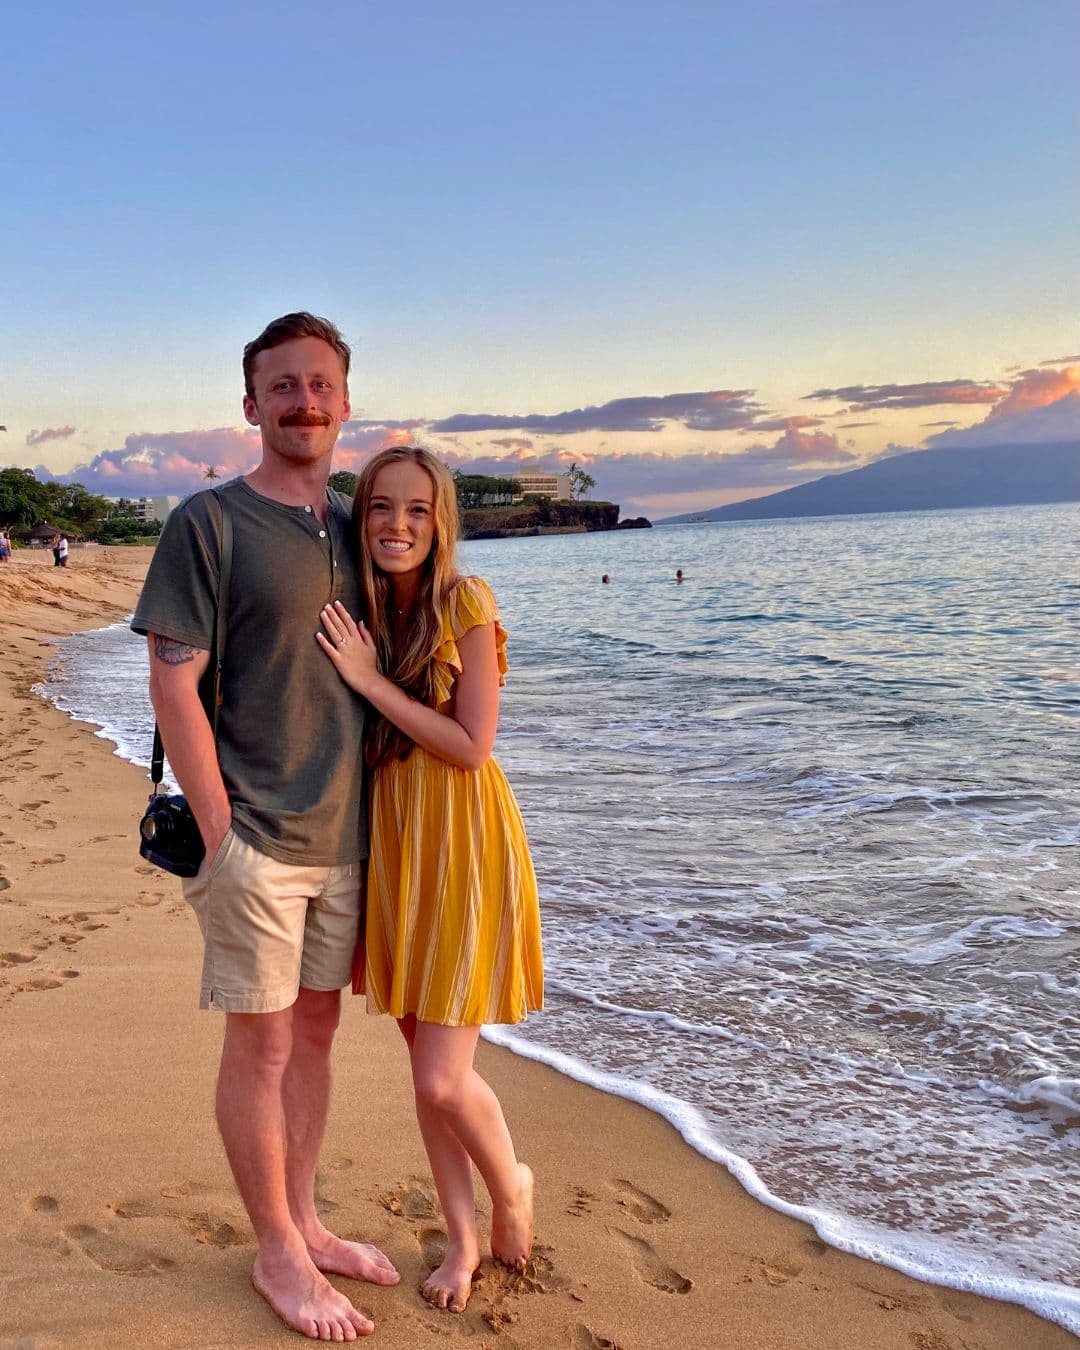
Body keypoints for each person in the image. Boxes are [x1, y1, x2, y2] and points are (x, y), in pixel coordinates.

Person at [131, 313, 399, 1342]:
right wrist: (223, 838)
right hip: (253, 837)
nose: (304, 402)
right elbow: (173, 683)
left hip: (348, 836)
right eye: (282, 386)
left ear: (347, 400)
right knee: (264, 1043)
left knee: (317, 1035)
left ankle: (306, 1220)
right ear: (251, 405)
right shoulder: (209, 523)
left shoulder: (361, 527)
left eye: (320, 384)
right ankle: (277, 1252)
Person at [317, 445, 543, 1315]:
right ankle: (463, 1238)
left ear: (441, 520)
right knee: (425, 1068)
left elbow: (471, 745)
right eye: (381, 507)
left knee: (441, 1079)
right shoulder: (364, 610)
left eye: (417, 509)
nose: (397, 525)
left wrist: (370, 682)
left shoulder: (465, 602)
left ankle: (512, 1185)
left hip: (462, 838)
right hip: (396, 843)